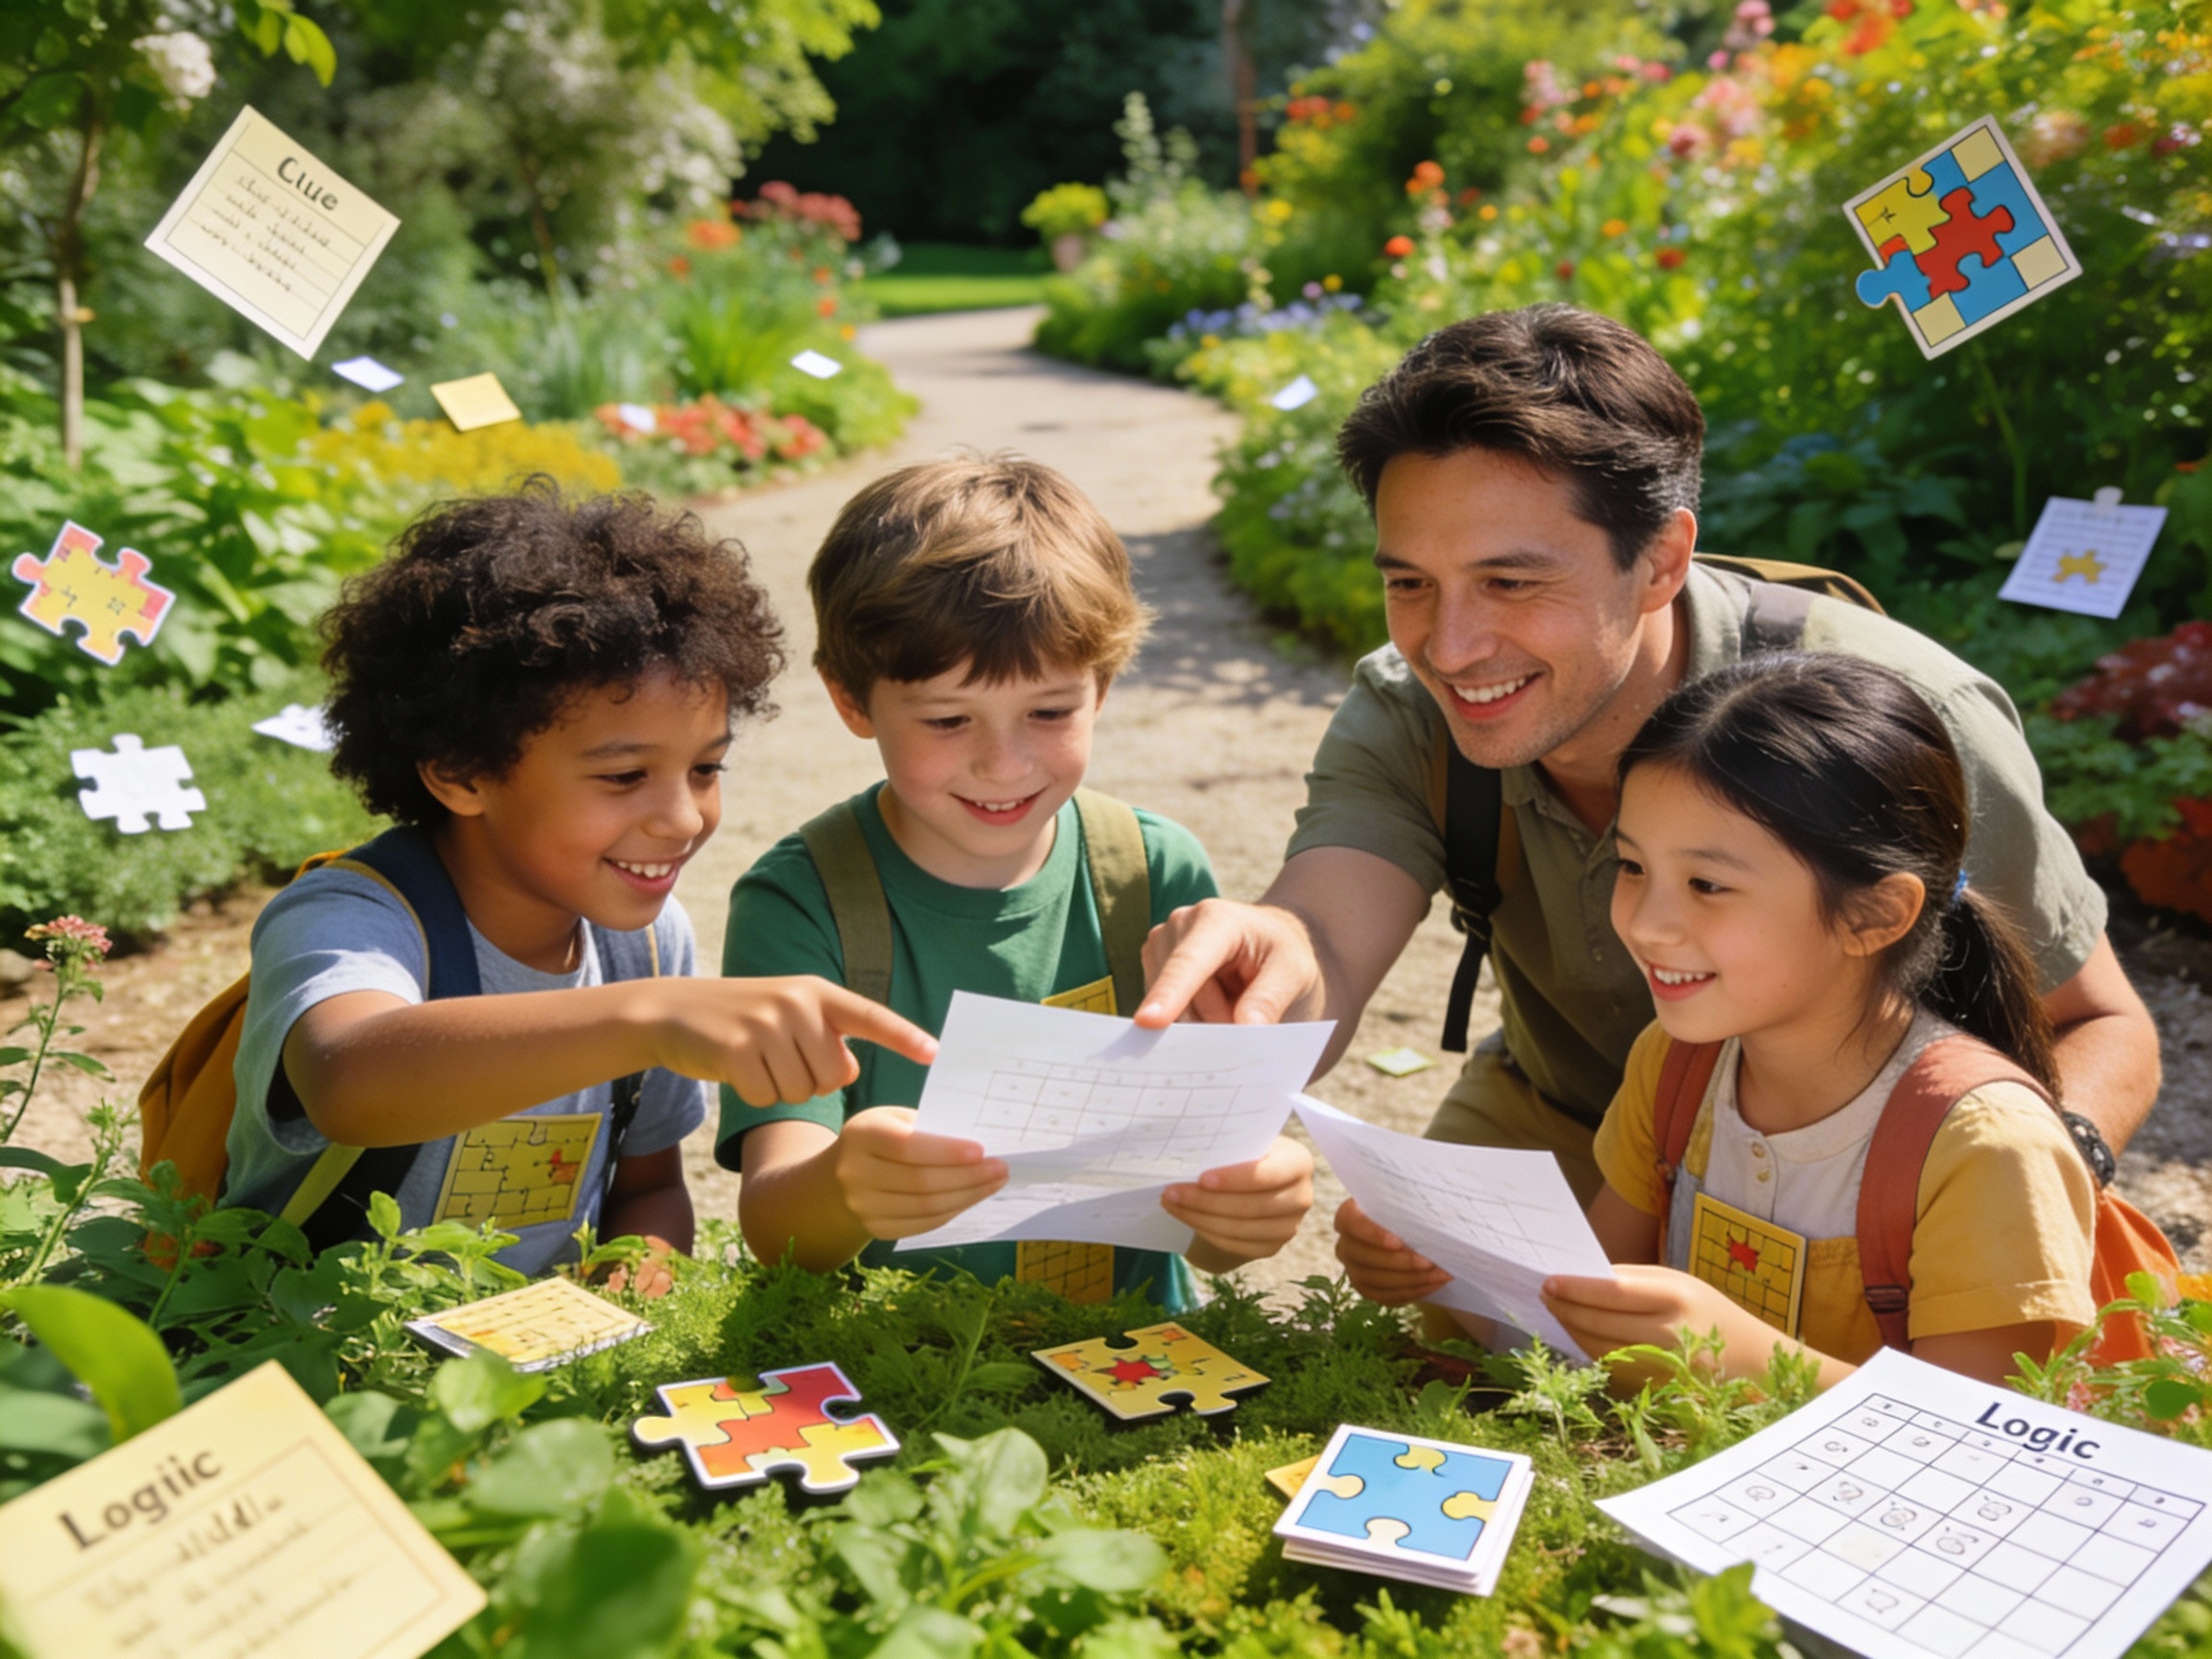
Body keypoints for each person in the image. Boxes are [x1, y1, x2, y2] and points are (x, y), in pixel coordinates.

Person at [1135, 304, 2158, 1275]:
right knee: (1422, 1326)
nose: (1448, 647)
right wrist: (1265, 979)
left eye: (1511, 582)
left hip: (1856, 1154)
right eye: (1409, 582)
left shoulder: (1909, 717)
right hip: (1567, 1111)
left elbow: (2102, 1024)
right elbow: (1324, 938)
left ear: (1661, 559)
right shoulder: (1410, 710)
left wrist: (2001, 1191)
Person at [222, 485, 936, 1287]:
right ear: (460, 771)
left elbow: (651, 1191)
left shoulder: (645, 943)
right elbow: (347, 1081)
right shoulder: (353, 917)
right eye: (625, 775)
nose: (681, 819)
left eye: (705, 769)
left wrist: (638, 1268)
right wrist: (653, 1019)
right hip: (307, 1359)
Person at [720, 456, 1312, 1309]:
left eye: (1049, 711)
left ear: (1102, 687)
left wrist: (1250, 1203)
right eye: (948, 719)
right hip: (892, 1368)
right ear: (851, 700)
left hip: (1129, 1359)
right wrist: (845, 1185)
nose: (1004, 763)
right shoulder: (799, 905)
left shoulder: (1156, 873)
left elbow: (1206, 1237)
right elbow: (777, 1229)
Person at [1410, 654, 2098, 1385]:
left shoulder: (1986, 1148)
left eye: (1707, 884)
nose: (1647, 926)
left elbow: (1977, 1446)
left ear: (1875, 913)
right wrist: (1443, 1269)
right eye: (1633, 867)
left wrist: (1748, 1362)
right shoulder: (1676, 1066)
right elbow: (1580, 1328)